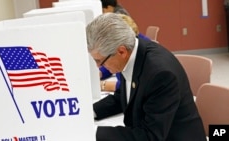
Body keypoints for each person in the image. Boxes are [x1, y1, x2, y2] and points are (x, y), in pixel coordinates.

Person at [86, 13, 207, 141]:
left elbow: (150, 136)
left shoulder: (160, 75)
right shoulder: (130, 53)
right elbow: (122, 97)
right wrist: (89, 113)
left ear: (121, 51)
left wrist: (93, 132)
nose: (98, 66)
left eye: (100, 61)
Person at [100, 14, 150, 92]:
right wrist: (100, 73)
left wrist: (103, 85)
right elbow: (111, 65)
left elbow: (132, 86)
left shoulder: (143, 52)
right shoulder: (126, 46)